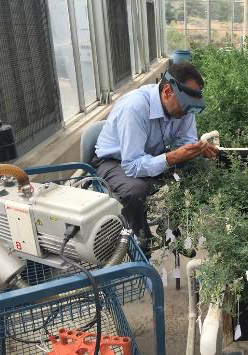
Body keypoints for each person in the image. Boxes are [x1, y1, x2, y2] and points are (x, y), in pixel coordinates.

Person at [92, 63, 218, 249]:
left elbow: (186, 140)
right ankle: (143, 242)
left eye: (192, 107)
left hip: (149, 155)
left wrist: (196, 151)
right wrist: (172, 157)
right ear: (167, 91)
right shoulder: (135, 107)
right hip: (114, 162)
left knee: (196, 171)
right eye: (185, 106)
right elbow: (132, 164)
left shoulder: (184, 108)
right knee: (136, 191)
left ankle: (169, 230)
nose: (186, 113)